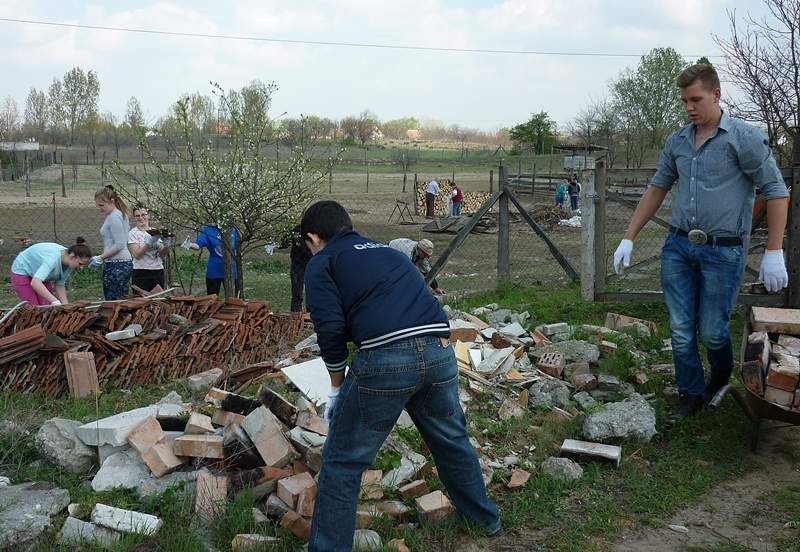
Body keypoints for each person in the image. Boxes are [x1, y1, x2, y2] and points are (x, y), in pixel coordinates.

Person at [301, 200, 501, 551]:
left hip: (386, 361)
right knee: (452, 443)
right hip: (440, 353)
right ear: (348, 226)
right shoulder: (390, 252)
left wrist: (336, 388)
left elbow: (330, 329)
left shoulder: (323, 261)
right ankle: (485, 521)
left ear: (314, 237)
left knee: (343, 462)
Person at [613, 63, 789, 421]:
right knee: (679, 328)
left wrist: (774, 250)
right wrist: (628, 237)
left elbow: (775, 190)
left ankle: (721, 370)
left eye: (696, 99)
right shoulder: (677, 140)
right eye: (684, 101)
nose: (690, 107)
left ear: (716, 94)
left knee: (711, 331)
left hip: (723, 251)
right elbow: (657, 187)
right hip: (678, 247)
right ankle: (690, 395)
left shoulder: (744, 138)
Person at [10, 238, 92, 305]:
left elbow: (60, 284)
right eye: (80, 264)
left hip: (41, 273)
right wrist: (55, 302)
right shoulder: (52, 259)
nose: (81, 268)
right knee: (32, 308)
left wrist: (66, 305)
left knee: (47, 306)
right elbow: (35, 283)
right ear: (72, 256)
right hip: (23, 270)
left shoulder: (69, 263)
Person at [91, 185, 133, 300]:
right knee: (121, 299)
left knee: (114, 301)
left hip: (117, 264)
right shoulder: (117, 214)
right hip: (121, 263)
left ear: (112, 201)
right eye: (97, 205)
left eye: (102, 205)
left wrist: (100, 258)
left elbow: (119, 244)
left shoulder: (114, 217)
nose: (99, 208)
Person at [182, 225, 239, 297]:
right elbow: (198, 245)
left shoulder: (233, 229)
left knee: (234, 299)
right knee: (212, 298)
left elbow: (238, 246)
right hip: (214, 270)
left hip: (232, 269)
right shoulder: (207, 230)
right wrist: (190, 244)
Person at [128, 205, 170, 292]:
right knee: (141, 301)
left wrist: (166, 245)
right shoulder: (133, 233)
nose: (141, 218)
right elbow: (136, 255)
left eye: (143, 215)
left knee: (158, 300)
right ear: (134, 217)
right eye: (137, 216)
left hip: (157, 270)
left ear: (148, 215)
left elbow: (162, 255)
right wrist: (149, 242)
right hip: (141, 271)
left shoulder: (156, 231)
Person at [288, 224, 313, 312]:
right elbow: (285, 242)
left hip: (311, 262)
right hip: (297, 262)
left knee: (311, 290)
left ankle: (311, 315)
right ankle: (295, 313)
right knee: (297, 290)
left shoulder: (316, 230)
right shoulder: (297, 230)